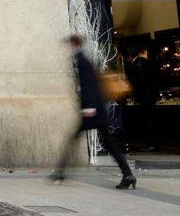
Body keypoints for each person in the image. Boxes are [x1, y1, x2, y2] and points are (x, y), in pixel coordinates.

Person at [51, 34, 136, 190]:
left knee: (73, 140)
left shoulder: (81, 60)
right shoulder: (82, 59)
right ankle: (128, 174)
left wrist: (88, 107)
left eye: (67, 46)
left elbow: (89, 85)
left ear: (73, 45)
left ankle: (60, 172)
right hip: (95, 109)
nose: (65, 49)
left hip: (92, 110)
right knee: (108, 143)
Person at [125, 43, 158, 152]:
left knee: (148, 120)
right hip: (150, 96)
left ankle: (151, 144)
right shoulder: (144, 61)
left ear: (129, 57)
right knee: (150, 120)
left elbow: (141, 82)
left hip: (145, 97)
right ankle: (152, 144)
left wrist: (135, 92)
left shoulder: (137, 64)